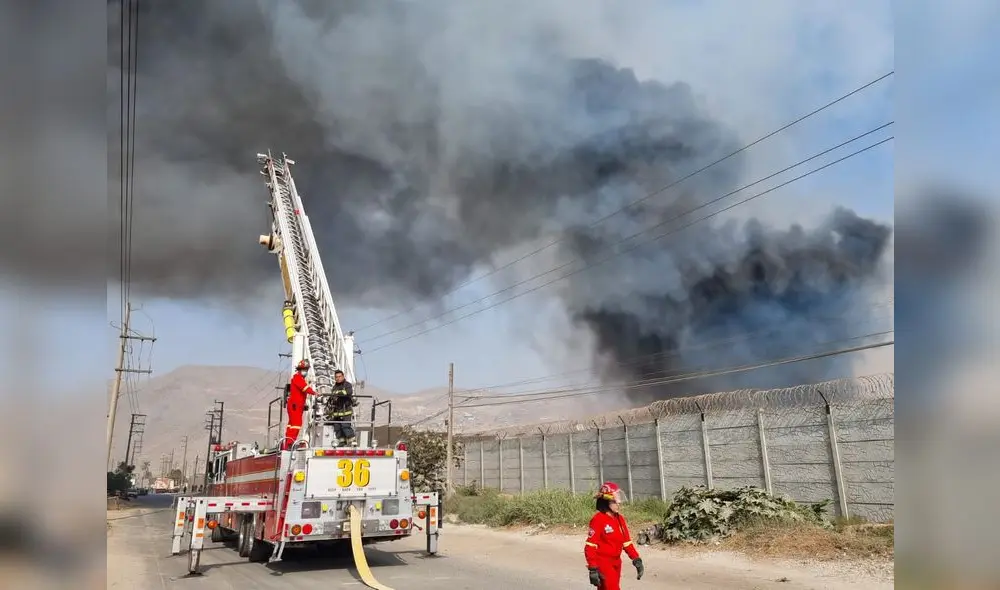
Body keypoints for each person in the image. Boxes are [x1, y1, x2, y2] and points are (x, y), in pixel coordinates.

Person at [584, 481, 644, 589]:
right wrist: (593, 568)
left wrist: (636, 559)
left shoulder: (620, 519)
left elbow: (626, 542)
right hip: (603, 563)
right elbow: (590, 546)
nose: (619, 503)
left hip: (616, 562)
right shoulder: (598, 520)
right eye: (615, 501)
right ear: (606, 501)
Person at [283, 359, 314, 450]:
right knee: (296, 424)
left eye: (306, 369)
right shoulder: (297, 378)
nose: (305, 371)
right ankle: (290, 443)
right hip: (295, 405)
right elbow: (305, 388)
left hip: (296, 405)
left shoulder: (299, 378)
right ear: (299, 370)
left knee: (291, 424)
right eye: (303, 369)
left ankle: (288, 443)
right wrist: (315, 393)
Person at [326, 369, 357, 446]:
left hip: (346, 410)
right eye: (336, 377)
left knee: (345, 426)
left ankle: (352, 441)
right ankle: (341, 442)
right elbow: (333, 395)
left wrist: (338, 393)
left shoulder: (348, 385)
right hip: (336, 411)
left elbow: (348, 392)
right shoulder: (334, 387)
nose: (338, 378)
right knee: (337, 428)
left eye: (339, 376)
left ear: (343, 376)